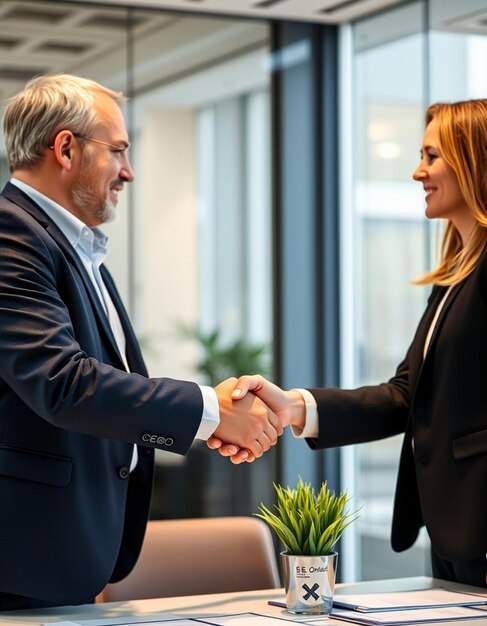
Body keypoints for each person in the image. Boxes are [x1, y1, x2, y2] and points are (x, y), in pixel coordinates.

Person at [0, 73, 282, 610]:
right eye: (119, 151)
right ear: (65, 148)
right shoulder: (11, 236)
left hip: (57, 553)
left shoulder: (72, 247)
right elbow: (63, 383)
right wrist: (210, 411)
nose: (128, 172)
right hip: (21, 559)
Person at [210, 98, 487, 588]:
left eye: (431, 156)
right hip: (455, 529)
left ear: (475, 159)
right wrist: (293, 406)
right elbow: (405, 396)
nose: (416, 172)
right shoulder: (453, 279)